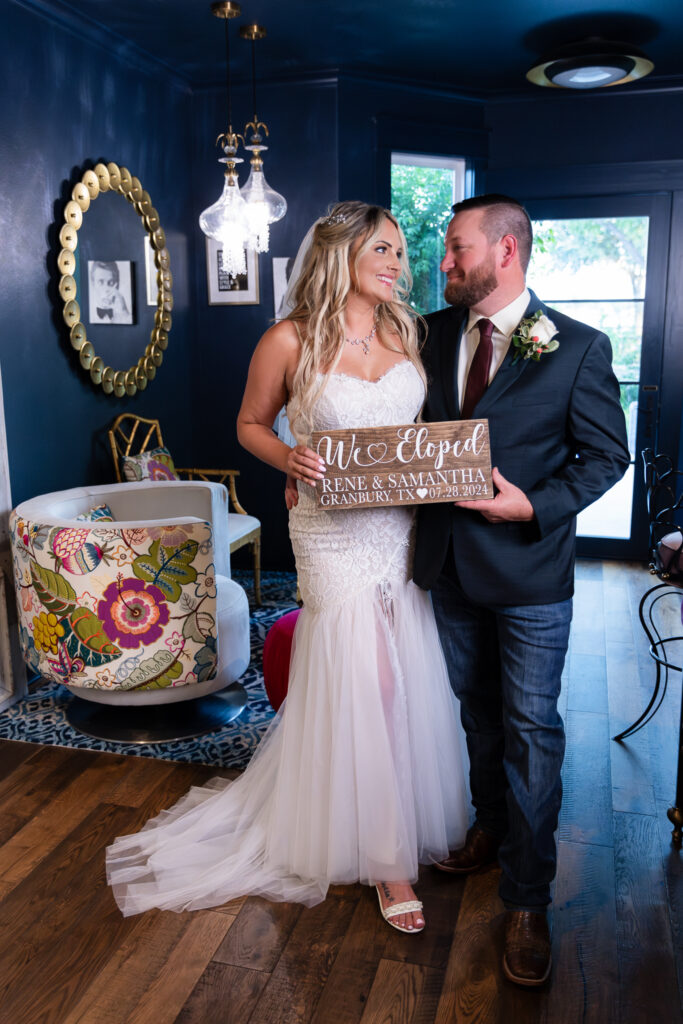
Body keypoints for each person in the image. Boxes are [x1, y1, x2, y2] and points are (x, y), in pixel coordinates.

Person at [106, 201, 469, 932]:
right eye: (384, 251)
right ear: (340, 255)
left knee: (399, 677)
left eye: (400, 253)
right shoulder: (287, 338)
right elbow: (248, 424)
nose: (399, 264)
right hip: (329, 534)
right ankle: (384, 857)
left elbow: (425, 432)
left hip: (399, 528)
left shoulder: (407, 331)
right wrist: (289, 456)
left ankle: (370, 815)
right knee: (361, 675)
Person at [413, 194, 630, 984]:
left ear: (505, 251)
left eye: (457, 249)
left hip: (532, 575)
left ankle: (527, 899)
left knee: (532, 729)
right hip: (444, 566)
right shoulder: (428, 334)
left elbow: (606, 457)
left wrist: (532, 504)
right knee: (475, 715)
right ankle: (486, 828)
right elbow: (393, 436)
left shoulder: (575, 347)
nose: (443, 264)